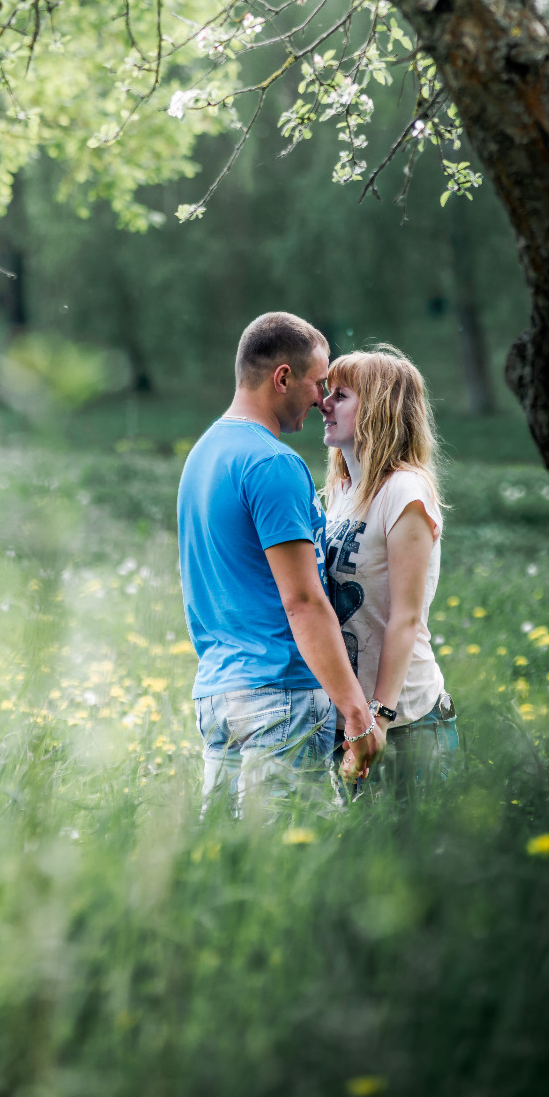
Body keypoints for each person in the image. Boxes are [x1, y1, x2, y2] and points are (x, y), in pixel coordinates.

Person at [177, 311, 382, 812]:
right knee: (286, 865)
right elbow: (304, 601)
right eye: (318, 383)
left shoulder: (203, 455)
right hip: (279, 696)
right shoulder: (272, 463)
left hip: (219, 693)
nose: (322, 399)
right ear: (283, 378)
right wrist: (357, 715)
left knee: (228, 864)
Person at [322, 344, 458, 796]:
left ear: (379, 408)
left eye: (341, 395)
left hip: (407, 724)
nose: (325, 403)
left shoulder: (405, 490)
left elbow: (406, 617)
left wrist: (378, 716)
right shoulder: (343, 489)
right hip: (353, 722)